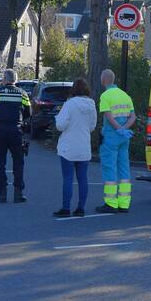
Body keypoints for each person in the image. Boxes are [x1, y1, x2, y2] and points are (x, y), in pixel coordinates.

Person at [0, 68, 31, 203]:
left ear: (5, 79)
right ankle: (18, 193)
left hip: (0, 130)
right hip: (16, 130)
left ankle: (2, 193)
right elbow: (29, 112)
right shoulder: (23, 94)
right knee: (18, 162)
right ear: (15, 80)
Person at [53, 78, 97, 217]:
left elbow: (60, 125)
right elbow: (92, 126)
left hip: (68, 147)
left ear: (74, 90)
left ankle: (66, 208)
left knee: (68, 178)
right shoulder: (91, 105)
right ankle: (80, 208)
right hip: (83, 146)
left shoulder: (70, 104)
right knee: (83, 178)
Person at [96, 69, 136, 214]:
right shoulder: (125, 95)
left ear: (103, 80)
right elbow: (133, 117)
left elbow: (108, 116)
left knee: (109, 168)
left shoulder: (106, 95)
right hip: (124, 137)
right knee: (124, 168)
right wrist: (124, 129)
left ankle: (111, 202)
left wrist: (118, 128)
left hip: (111, 136)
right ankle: (124, 203)